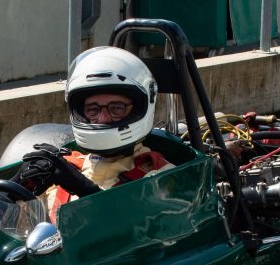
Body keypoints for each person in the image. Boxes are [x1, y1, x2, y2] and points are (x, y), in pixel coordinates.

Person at [15, 47, 173, 220]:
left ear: (138, 109)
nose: (103, 118)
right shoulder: (67, 167)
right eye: (93, 109)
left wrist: (83, 188)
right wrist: (17, 184)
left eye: (116, 108)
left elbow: (134, 231)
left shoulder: (160, 175)